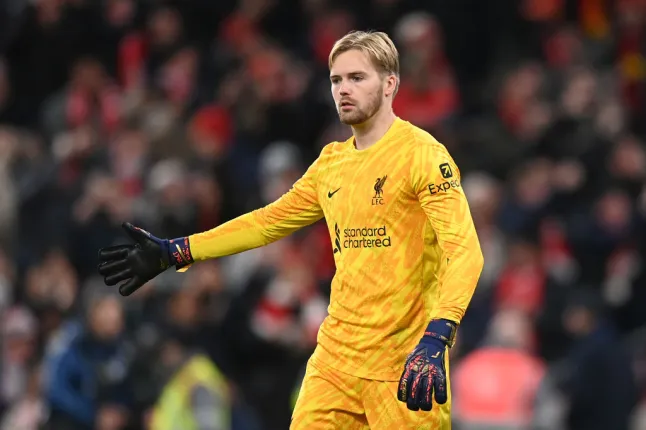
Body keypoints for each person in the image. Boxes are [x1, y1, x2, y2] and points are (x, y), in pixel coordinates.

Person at [98, 30, 484, 429]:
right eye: (336, 80)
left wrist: (438, 334)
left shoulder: (423, 155)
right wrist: (178, 251)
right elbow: (268, 222)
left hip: (402, 361)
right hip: (336, 360)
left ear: (390, 85)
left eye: (357, 78)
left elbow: (465, 251)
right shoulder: (332, 162)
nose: (343, 90)